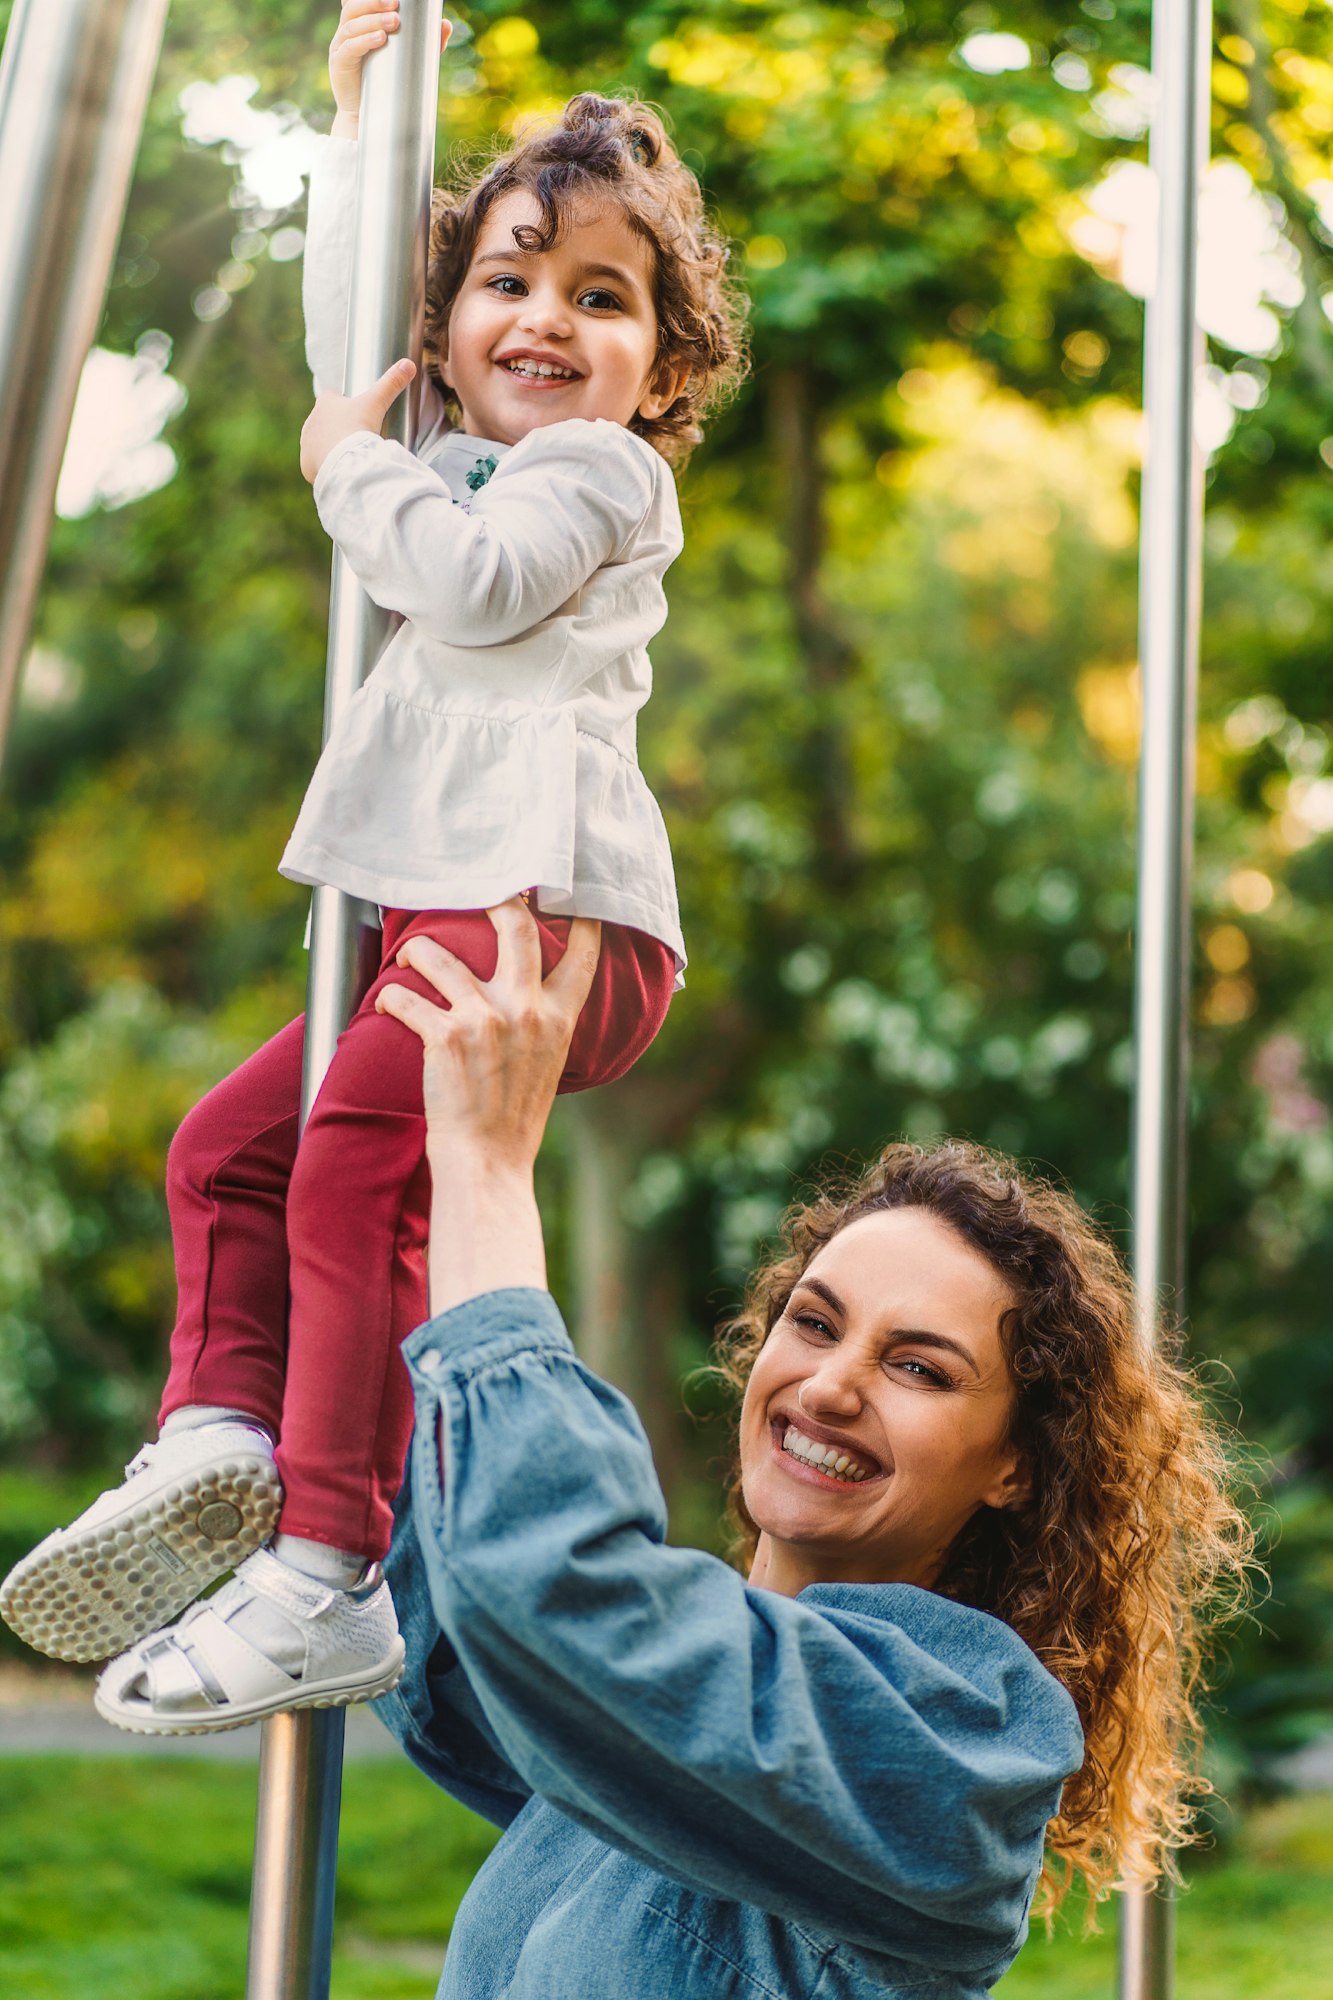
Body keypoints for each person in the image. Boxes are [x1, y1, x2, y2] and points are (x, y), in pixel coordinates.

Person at [0, 8, 746, 1729]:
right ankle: (220, 1444)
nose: (544, 317)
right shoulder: (445, 453)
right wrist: (358, 124)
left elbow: (470, 581)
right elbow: (357, 344)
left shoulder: (593, 477)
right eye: (506, 280)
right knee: (230, 1155)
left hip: (549, 910)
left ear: (663, 367)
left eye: (601, 297)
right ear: (454, 319)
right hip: (450, 896)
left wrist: (345, 464)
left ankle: (331, 1570)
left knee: (350, 1175)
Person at [260, 901, 1251, 1998]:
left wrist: (491, 1176)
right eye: (815, 1322)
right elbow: (436, 1592)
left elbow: (546, 1587)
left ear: (1016, 1462)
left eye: (918, 1366)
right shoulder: (665, 1718)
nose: (829, 1384)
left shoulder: (955, 1752)